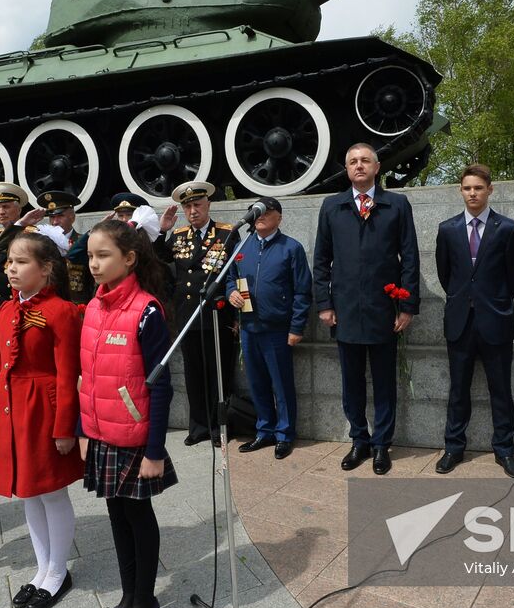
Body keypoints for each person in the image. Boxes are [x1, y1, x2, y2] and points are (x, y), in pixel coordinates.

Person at [81, 219, 177, 608]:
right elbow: (92, 376)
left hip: (137, 439)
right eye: (90, 256)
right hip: (103, 435)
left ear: (129, 258)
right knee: (117, 518)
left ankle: (144, 603)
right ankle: (125, 599)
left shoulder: (147, 310)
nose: (94, 264)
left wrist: (154, 450)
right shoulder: (95, 305)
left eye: (103, 256)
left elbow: (161, 384)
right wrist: (86, 430)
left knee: (139, 517)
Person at [0, 233, 83, 608]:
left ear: (45, 269)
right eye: (10, 260)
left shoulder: (61, 311)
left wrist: (64, 427)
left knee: (51, 491)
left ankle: (58, 571)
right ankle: (42, 568)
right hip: (11, 409)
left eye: (22, 262)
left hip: (43, 407)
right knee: (27, 492)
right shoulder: (5, 310)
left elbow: (66, 373)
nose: (12, 268)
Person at [312, 142, 420, 476]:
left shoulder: (396, 204)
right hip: (345, 312)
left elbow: (410, 259)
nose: (358, 166)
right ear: (346, 169)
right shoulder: (332, 207)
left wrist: (407, 305)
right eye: (352, 161)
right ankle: (359, 439)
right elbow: (321, 260)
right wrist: (325, 304)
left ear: (376, 167)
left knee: (385, 382)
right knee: (352, 383)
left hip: (384, 311)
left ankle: (381, 445)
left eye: (365, 161)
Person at [434, 165, 514, 479]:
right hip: (460, 321)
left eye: (478, 188)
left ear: (489, 190)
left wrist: (495, 300)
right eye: (467, 188)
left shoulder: (507, 228)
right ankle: (453, 447)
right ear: (461, 191)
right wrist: (465, 298)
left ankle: (504, 450)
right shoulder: (447, 229)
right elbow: (445, 274)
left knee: (500, 389)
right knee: (458, 389)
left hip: (496, 320)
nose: (473, 193)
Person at [226, 196, 311, 460]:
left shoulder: (291, 248)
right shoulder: (242, 246)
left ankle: (285, 434)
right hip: (249, 327)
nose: (260, 215)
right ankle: (265, 431)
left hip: (277, 329)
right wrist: (231, 293)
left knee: (281, 384)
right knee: (257, 382)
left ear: (279, 217)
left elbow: (302, 291)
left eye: (267, 211)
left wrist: (296, 327)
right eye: (256, 211)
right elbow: (230, 278)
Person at [156, 181, 236, 447]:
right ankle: (199, 426)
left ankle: (218, 426)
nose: (192, 210)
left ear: (208, 205)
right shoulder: (178, 236)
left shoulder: (226, 233)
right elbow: (159, 257)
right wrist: (161, 231)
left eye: (197, 205)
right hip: (187, 315)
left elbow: (233, 274)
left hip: (216, 315)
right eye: (188, 206)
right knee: (194, 374)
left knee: (219, 373)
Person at [40, 189, 93, 305]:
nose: (54, 222)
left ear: (72, 217)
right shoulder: (44, 244)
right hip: (51, 305)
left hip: (79, 306)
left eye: (59, 216)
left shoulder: (85, 242)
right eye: (51, 217)